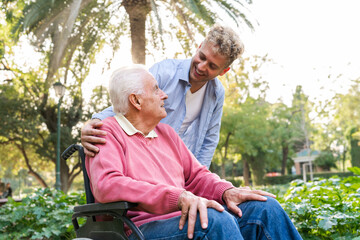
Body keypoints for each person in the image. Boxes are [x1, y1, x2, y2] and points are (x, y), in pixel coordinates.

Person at [86, 65, 303, 240]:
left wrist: (227, 191)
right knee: (213, 220)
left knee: (264, 209)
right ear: (136, 100)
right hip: (139, 228)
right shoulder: (106, 132)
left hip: (182, 220)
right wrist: (177, 197)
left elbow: (197, 176)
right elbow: (108, 185)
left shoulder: (166, 133)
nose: (165, 95)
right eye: (156, 89)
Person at [81, 24, 245, 168]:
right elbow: (128, 100)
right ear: (199, 46)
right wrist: (96, 121)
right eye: (202, 57)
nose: (201, 67)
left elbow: (209, 139)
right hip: (146, 161)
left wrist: (200, 179)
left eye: (212, 66)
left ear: (223, 71)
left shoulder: (216, 94)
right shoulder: (165, 71)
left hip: (178, 167)